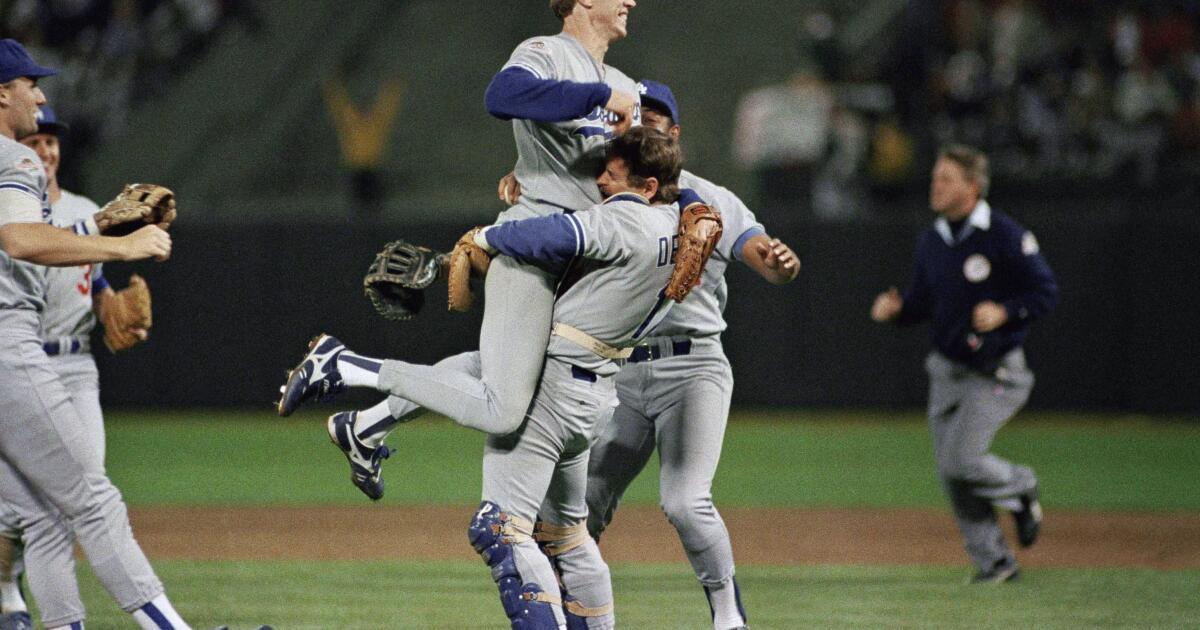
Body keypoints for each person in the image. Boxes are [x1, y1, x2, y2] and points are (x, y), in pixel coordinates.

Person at [280, 127, 695, 630]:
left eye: (612, 175)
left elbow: (552, 235)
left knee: (501, 529)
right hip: (593, 394)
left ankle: (346, 367)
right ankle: (366, 422)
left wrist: (484, 237)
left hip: (555, 392)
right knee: (567, 536)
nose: (602, 182)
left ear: (648, 185)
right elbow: (669, 190)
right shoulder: (675, 220)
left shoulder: (626, 219)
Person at [296, 0, 643, 499]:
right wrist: (596, 96)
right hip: (531, 253)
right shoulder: (545, 52)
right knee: (503, 410)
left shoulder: (626, 85)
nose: (630, 0)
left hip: (581, 265)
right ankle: (346, 366)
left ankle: (366, 426)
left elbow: (652, 143)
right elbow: (503, 94)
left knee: (497, 368)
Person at [580, 79, 798, 630]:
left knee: (684, 501)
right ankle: (576, 612)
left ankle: (729, 616)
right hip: (621, 367)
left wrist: (776, 261)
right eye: (632, 113)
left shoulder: (710, 197)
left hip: (692, 367)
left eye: (653, 116)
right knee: (581, 505)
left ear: (673, 132)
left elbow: (759, 254)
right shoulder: (600, 191)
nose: (640, 122)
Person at [0, 39, 202, 630]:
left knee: (40, 515)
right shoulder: (15, 159)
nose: (39, 94)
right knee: (92, 497)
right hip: (10, 350)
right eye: (28, 85)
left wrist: (90, 223)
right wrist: (123, 244)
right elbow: (20, 241)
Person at [870, 144, 1057, 584]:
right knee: (952, 474)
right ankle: (994, 562)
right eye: (936, 177)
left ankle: (1021, 486)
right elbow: (922, 304)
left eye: (946, 179)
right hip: (947, 370)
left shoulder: (1003, 235)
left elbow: (1044, 292)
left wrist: (1005, 313)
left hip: (995, 371)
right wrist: (897, 310)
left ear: (973, 187)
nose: (936, 186)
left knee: (963, 461)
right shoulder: (934, 238)